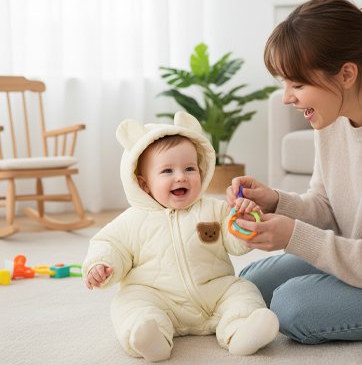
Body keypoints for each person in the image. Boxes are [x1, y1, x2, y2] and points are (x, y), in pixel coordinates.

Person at [226, 0, 362, 344]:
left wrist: (294, 236)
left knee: (292, 305)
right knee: (248, 286)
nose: (287, 97)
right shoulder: (333, 116)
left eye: (298, 85)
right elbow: (327, 206)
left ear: (347, 74)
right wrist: (275, 201)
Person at [82, 111, 279, 362]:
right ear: (143, 184)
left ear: (201, 170)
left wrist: (246, 222)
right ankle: (150, 339)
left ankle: (241, 330)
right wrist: (102, 264)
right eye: (167, 171)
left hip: (213, 292)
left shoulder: (214, 209)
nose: (181, 176)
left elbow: (236, 242)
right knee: (129, 304)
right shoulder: (131, 220)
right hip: (158, 297)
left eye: (189, 168)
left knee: (242, 290)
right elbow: (109, 245)